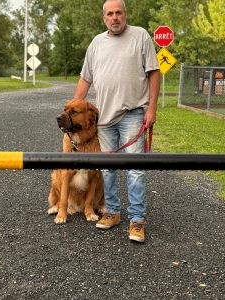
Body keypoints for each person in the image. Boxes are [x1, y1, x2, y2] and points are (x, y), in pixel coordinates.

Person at [73, 0, 160, 242]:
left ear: (125, 14)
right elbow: (85, 79)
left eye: (118, 12)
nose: (115, 17)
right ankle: (112, 212)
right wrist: (71, 116)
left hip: (133, 114)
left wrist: (152, 109)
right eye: (110, 14)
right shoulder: (96, 43)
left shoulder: (140, 36)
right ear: (104, 18)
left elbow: (154, 72)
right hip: (104, 118)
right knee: (108, 169)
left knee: (135, 170)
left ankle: (137, 220)